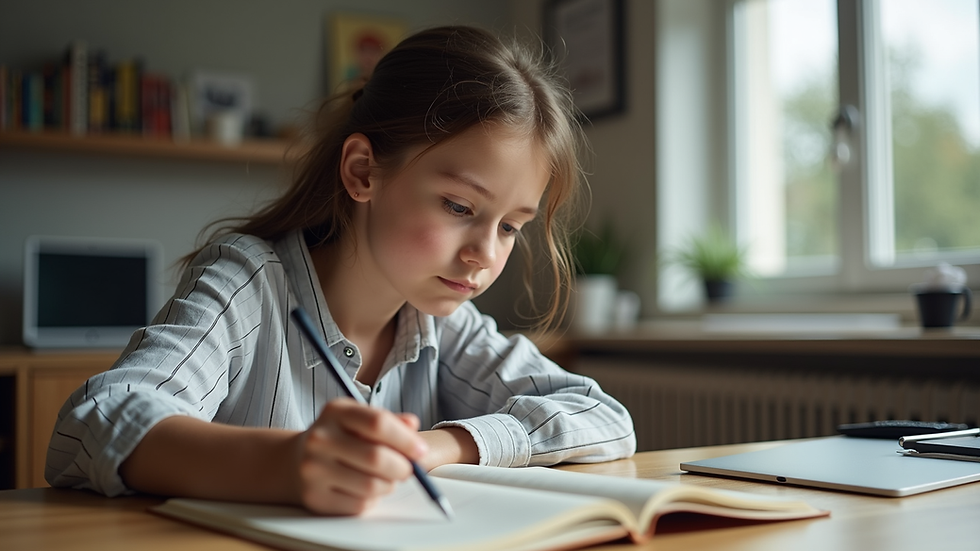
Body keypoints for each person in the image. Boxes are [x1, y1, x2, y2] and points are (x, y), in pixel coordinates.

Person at [46, 25, 635, 515]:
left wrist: (439, 446)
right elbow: (93, 421)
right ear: (362, 172)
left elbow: (603, 416)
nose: (485, 254)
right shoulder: (249, 283)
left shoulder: (444, 324)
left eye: (510, 226)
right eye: (459, 207)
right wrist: (285, 463)